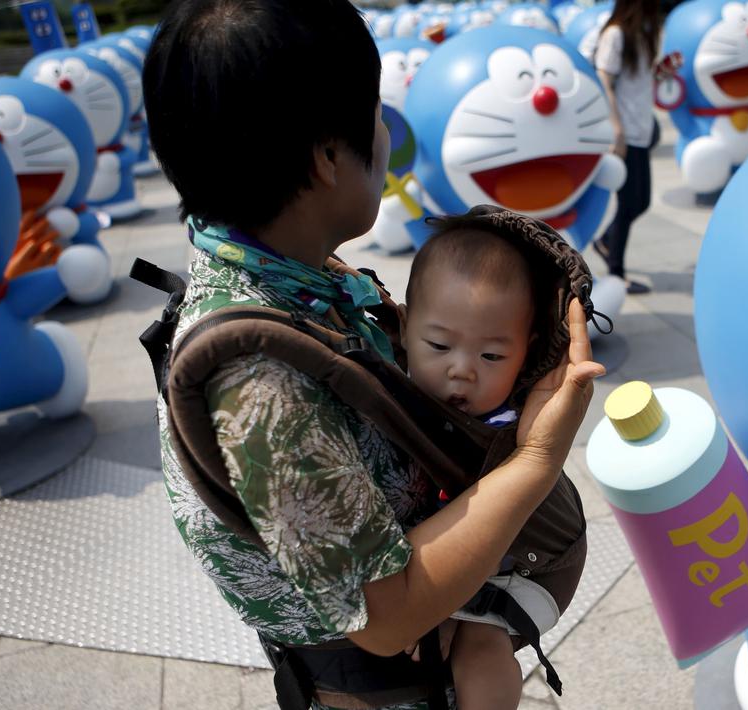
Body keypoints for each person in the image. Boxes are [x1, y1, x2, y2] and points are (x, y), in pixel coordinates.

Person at [142, 1, 603, 709]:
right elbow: (387, 619)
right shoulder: (260, 387)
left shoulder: (286, 271)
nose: (386, 132)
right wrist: (538, 456)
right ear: (328, 157)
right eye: (375, 112)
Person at [398, 221, 547, 710]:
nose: (462, 368)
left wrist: (449, 613)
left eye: (491, 355)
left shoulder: (507, 426)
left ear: (524, 355)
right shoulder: (390, 391)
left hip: (497, 566)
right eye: (439, 347)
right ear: (403, 329)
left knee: (481, 651)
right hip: (422, 565)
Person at [591, 0, 661, 295]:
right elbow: (604, 79)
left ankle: (606, 241)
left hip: (641, 129)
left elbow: (638, 81)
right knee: (629, 202)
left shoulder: (644, 32)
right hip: (625, 132)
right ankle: (616, 272)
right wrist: (615, 128)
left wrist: (662, 74)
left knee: (641, 201)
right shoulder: (616, 34)